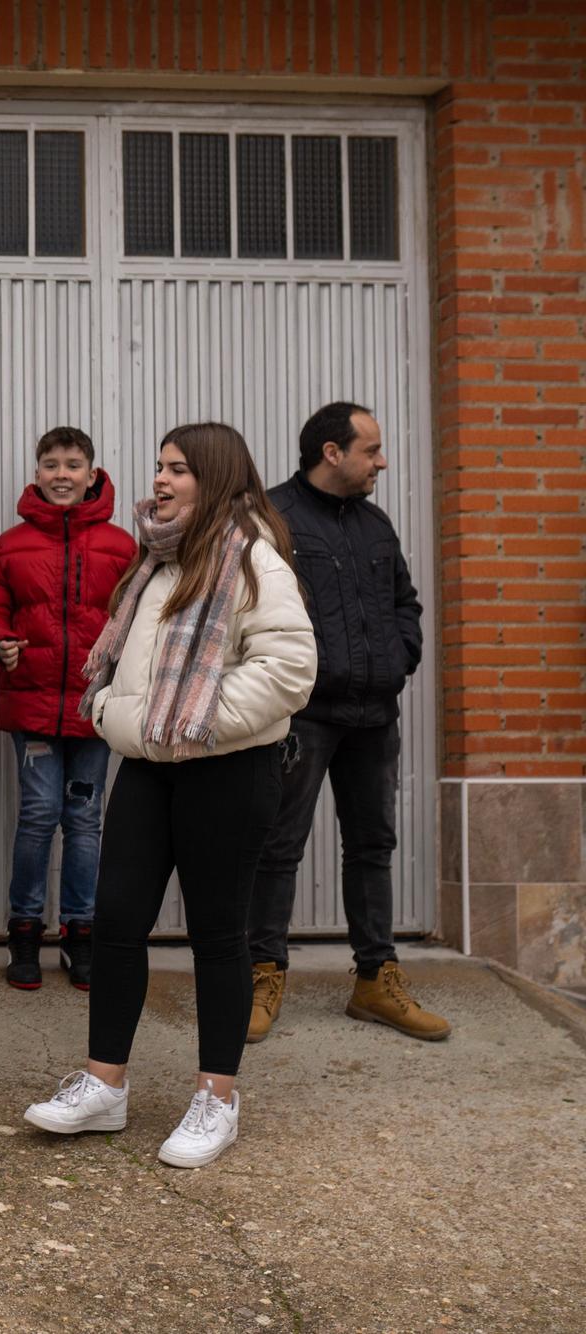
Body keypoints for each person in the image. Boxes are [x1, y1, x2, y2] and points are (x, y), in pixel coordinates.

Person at [22, 423, 315, 1169]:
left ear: (213, 478)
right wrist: (111, 712)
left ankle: (217, 1097)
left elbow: (287, 669)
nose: (160, 480)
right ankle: (104, 1085)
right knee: (116, 922)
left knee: (219, 934)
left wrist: (192, 723)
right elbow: (131, 665)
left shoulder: (253, 558)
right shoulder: (160, 560)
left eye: (178, 469)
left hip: (227, 768)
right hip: (151, 766)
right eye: (158, 467)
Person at [246, 403, 446, 1042]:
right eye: (372, 450)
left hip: (373, 716)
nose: (381, 462)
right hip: (301, 717)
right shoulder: (270, 518)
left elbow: (404, 604)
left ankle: (375, 979)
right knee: (278, 847)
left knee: (372, 847)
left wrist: (397, 658)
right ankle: (260, 974)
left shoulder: (376, 524)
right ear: (332, 452)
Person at [0, 426, 137, 992]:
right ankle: (24, 932)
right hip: (33, 706)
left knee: (86, 821)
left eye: (73, 465)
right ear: (37, 472)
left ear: (92, 474)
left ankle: (80, 933)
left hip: (95, 709)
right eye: (51, 464)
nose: (61, 474)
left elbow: (139, 620)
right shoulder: (10, 546)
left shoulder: (121, 547)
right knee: (40, 815)